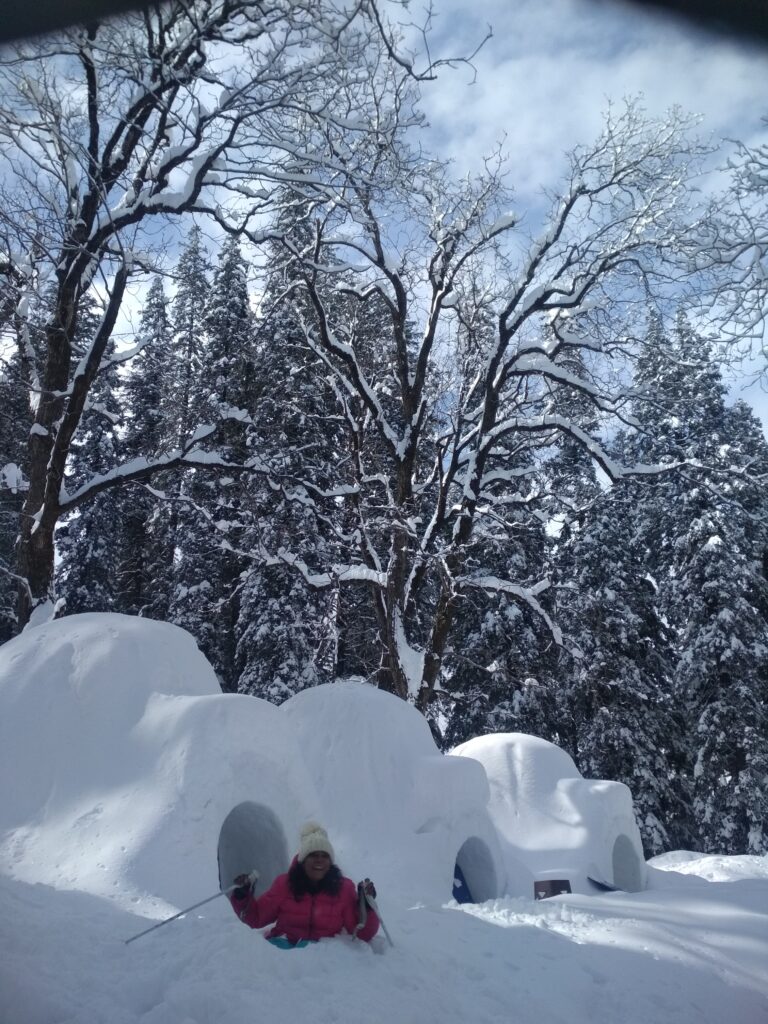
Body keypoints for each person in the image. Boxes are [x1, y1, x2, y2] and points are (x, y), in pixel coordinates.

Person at [229, 821, 379, 948]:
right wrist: (243, 897)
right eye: (313, 855)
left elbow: (361, 934)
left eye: (324, 856)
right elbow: (256, 918)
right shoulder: (284, 885)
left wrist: (366, 907)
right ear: (303, 860)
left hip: (325, 958)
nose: (319, 860)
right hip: (283, 951)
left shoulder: (344, 889)